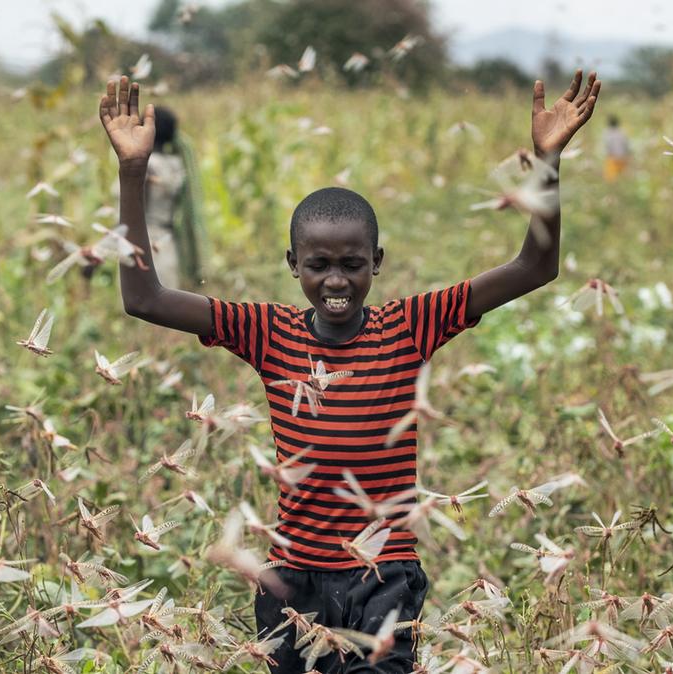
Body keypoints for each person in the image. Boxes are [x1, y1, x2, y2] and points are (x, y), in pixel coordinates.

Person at [99, 70, 600, 672]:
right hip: (293, 583)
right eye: (319, 265)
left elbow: (535, 266)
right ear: (293, 265)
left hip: (384, 576)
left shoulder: (413, 324)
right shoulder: (267, 332)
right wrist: (132, 173)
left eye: (352, 264)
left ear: (377, 263)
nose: (336, 281)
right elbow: (144, 298)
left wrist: (547, 162)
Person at [144, 105, 205, 289]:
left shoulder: (145, 166)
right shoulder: (176, 164)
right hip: (167, 244)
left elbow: (133, 213)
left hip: (145, 244)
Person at [602, 114, 629, 183]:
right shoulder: (622, 132)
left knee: (612, 179)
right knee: (622, 178)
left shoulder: (607, 132)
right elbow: (626, 145)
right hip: (622, 157)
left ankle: (614, 190)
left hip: (612, 158)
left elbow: (607, 146)